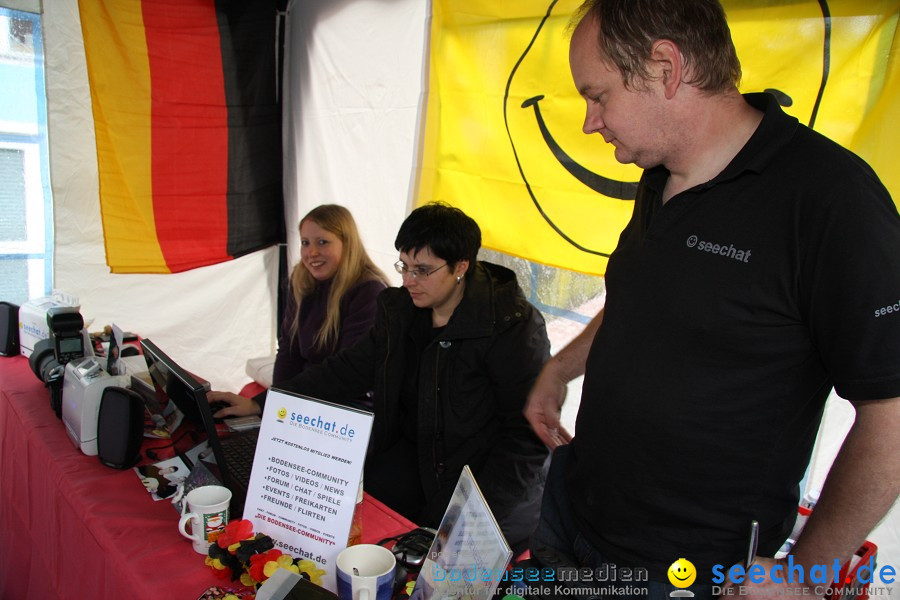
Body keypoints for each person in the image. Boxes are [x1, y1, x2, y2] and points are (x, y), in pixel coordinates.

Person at [524, 1, 900, 598]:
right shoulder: (659, 175)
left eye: (598, 96)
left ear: (666, 68)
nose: (590, 123)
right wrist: (559, 369)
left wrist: (804, 575)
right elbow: (637, 298)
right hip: (576, 512)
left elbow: (892, 415)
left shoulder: (831, 200)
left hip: (688, 572)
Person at [214, 202, 551, 550]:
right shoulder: (401, 310)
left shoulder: (513, 325)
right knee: (348, 527)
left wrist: (474, 521)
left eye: (422, 270)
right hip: (413, 460)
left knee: (432, 566)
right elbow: (345, 371)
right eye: (403, 266)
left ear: (460, 267)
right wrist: (263, 403)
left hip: (482, 481)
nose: (408, 280)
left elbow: (525, 439)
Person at [208, 204, 388, 408]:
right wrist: (275, 409)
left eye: (322, 242)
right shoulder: (302, 280)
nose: (311, 252)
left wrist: (265, 404)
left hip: (350, 409)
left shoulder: (368, 292)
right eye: (305, 242)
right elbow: (288, 352)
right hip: (307, 401)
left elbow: (346, 374)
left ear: (347, 244)